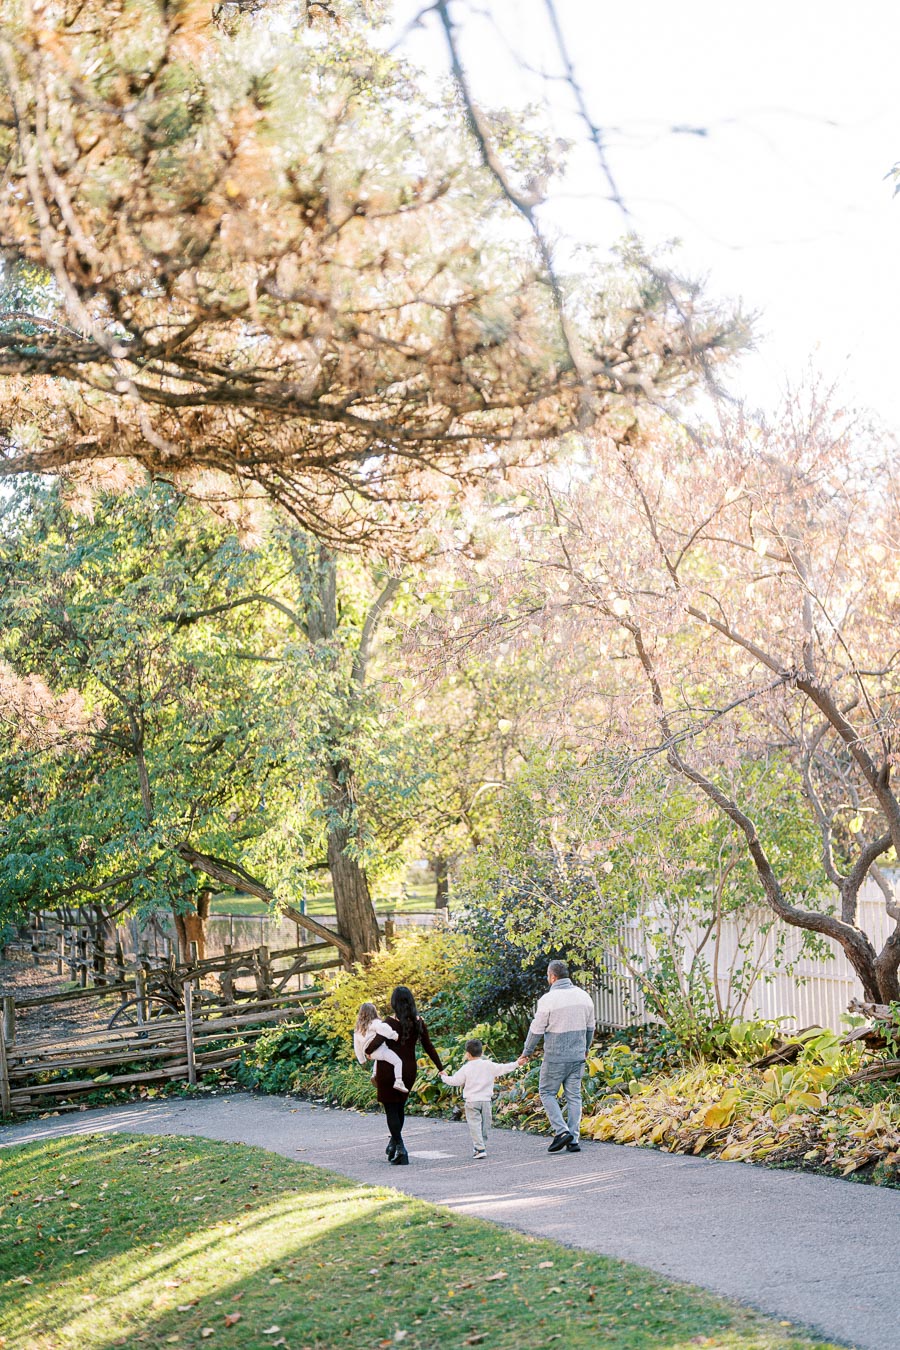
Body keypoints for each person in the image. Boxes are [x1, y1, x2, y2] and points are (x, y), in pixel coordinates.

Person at [519, 959, 595, 1154]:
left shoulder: (548, 1000)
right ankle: (573, 1140)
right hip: (577, 1055)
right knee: (574, 1096)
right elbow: (590, 1028)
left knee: (546, 1092)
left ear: (552, 976)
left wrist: (527, 1052)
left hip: (555, 1057)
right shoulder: (584, 996)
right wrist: (585, 1048)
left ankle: (562, 1132)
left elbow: (536, 1029)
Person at [365, 985, 444, 1165]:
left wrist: (367, 1052)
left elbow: (374, 1044)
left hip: (388, 1070)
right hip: (408, 1070)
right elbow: (429, 1046)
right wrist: (440, 1067)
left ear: (394, 1003)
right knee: (399, 1107)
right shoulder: (419, 1022)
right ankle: (394, 1143)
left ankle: (400, 1147)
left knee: (391, 1109)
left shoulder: (388, 1023)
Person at [441, 1038, 521, 1159]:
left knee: (474, 1125)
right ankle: (480, 1145)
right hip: (486, 1101)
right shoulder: (488, 1065)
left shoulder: (466, 1068)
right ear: (482, 1053)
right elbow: (503, 1068)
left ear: (467, 1054)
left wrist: (444, 1077)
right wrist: (517, 1063)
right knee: (485, 1125)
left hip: (472, 1101)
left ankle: (479, 1148)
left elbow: (456, 1081)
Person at [353, 1002, 408, 1094]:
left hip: (370, 1053)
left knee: (378, 1059)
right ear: (374, 1012)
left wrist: (362, 1060)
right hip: (379, 1050)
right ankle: (399, 1081)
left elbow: (357, 1046)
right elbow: (385, 1029)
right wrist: (395, 1036)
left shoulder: (358, 1029)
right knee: (398, 1062)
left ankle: (374, 1074)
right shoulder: (375, 1022)